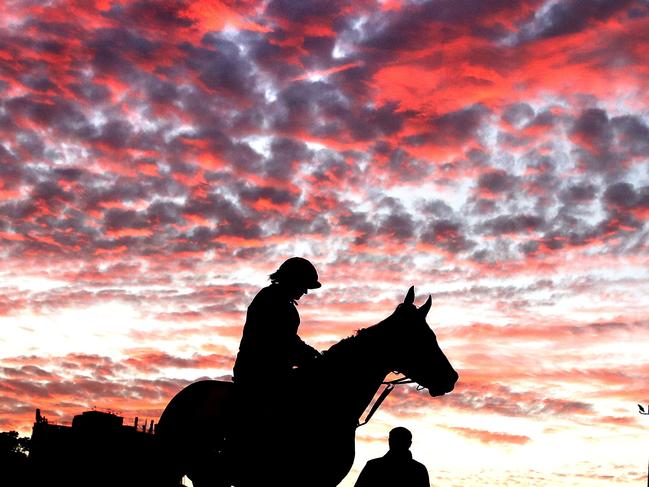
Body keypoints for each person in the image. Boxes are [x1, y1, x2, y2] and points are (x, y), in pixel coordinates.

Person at [233, 256, 322, 391]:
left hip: (266, 369)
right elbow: (282, 340)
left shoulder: (276, 298)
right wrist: (310, 356)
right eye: (304, 285)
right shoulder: (273, 299)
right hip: (262, 372)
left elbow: (289, 339)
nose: (305, 291)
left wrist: (310, 354)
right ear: (293, 280)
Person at [354, 427, 430, 487]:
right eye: (394, 440)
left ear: (409, 443)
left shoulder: (373, 465)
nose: (396, 443)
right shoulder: (372, 466)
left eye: (400, 440)